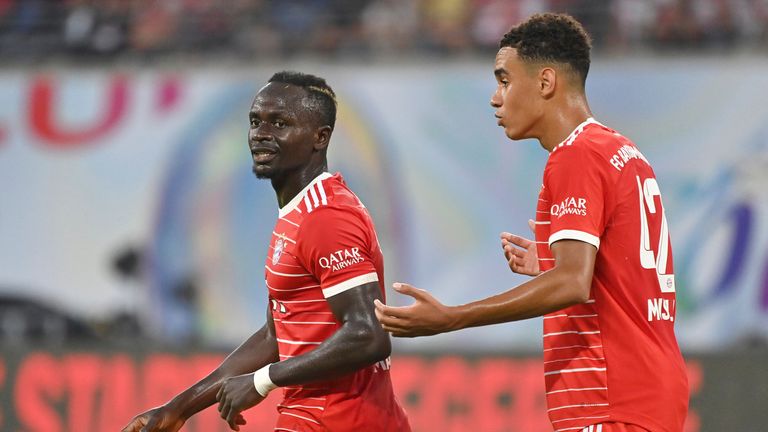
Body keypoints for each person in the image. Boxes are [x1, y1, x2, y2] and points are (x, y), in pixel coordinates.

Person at [374, 13, 689, 432]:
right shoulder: (621, 150)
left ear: (545, 82)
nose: (495, 97)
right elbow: (616, 274)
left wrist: (453, 317)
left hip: (609, 399)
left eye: (504, 80)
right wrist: (551, 266)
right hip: (648, 390)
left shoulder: (575, 156)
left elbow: (573, 282)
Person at [123, 71, 410, 432]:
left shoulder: (326, 216)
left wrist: (263, 380)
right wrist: (179, 408)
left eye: (280, 123)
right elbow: (276, 336)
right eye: (256, 121)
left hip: (341, 420)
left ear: (319, 138)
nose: (261, 133)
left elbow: (369, 334)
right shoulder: (297, 214)